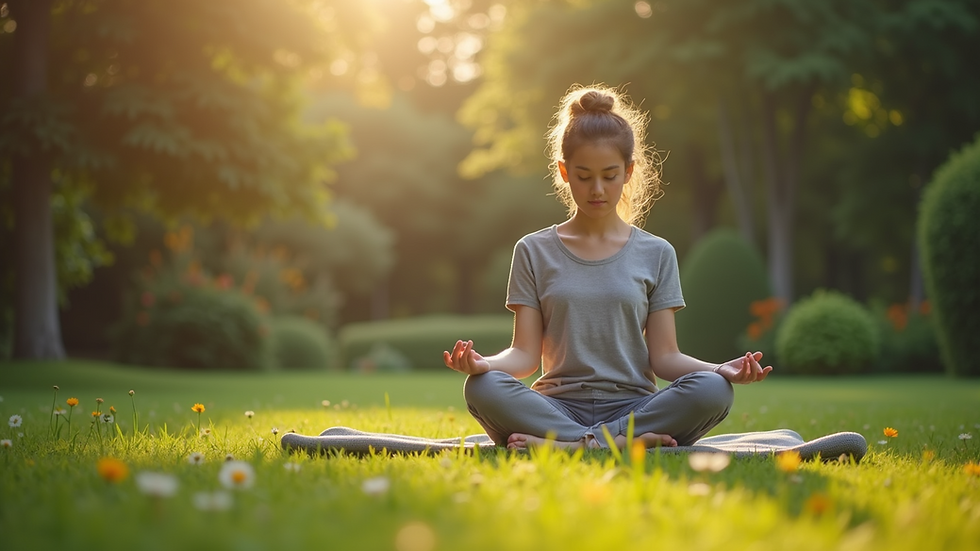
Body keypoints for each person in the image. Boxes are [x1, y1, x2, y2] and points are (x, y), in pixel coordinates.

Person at [443, 85, 772, 451]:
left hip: (636, 407)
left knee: (713, 391)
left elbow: (665, 357)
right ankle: (619, 443)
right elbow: (523, 356)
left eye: (610, 175)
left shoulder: (657, 252)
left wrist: (718, 370)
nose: (597, 189)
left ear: (629, 172)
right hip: (557, 407)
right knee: (482, 387)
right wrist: (482, 363)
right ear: (564, 172)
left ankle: (570, 445)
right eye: (584, 176)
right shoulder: (533, 250)